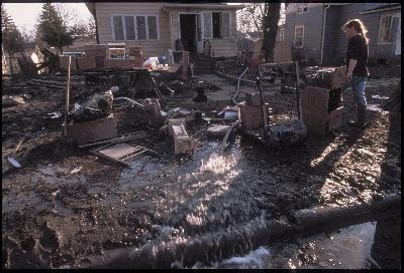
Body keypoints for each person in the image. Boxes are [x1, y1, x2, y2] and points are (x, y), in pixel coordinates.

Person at [341, 19, 370, 129]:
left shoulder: (355, 40)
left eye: (347, 30)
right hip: (363, 73)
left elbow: (354, 58)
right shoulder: (363, 39)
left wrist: (349, 73)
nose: (346, 33)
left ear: (353, 27)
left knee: (335, 90)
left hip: (355, 74)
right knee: (360, 97)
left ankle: (329, 117)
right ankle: (361, 122)